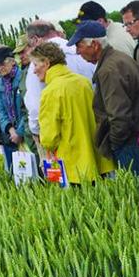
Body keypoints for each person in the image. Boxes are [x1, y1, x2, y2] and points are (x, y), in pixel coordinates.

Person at [70, 21, 139, 177]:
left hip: (130, 143)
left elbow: (119, 115)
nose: (77, 52)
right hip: (137, 138)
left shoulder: (109, 69)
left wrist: (114, 144)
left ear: (94, 44)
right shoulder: (117, 59)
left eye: (79, 46)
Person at [32, 42, 115, 184]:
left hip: (71, 165)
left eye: (35, 65)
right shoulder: (83, 82)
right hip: (97, 158)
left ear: (46, 63)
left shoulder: (50, 91)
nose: (34, 70)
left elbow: (49, 138)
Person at [24, 20, 95, 161]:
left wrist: (38, 133)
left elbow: (35, 108)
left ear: (35, 39)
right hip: (93, 131)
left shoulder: (40, 65)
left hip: (63, 142)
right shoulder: (80, 51)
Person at [0, 46, 27, 170]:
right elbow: (0, 110)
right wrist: (11, 130)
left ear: (12, 61)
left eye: (2, 64)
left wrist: (20, 132)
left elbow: (27, 109)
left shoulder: (23, 77)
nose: (0, 68)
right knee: (20, 172)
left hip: (26, 131)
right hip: (11, 134)